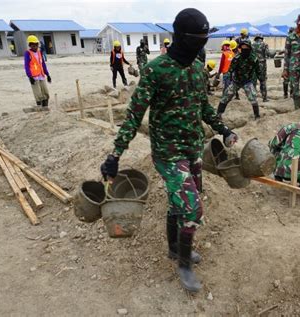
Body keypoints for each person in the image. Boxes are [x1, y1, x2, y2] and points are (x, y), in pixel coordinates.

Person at [100, 8, 238, 293]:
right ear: (180, 37)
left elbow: (203, 107)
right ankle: (184, 265)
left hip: (192, 148)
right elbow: (134, 114)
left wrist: (224, 130)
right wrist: (115, 154)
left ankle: (175, 248)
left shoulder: (198, 69)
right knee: (191, 207)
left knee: (181, 202)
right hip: (167, 153)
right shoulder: (156, 70)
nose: (201, 43)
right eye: (196, 38)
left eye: (204, 38)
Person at [216, 40, 262, 120]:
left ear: (250, 48)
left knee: (253, 98)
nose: (244, 50)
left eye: (246, 48)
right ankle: (219, 114)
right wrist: (228, 80)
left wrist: (261, 80)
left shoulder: (254, 59)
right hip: (236, 81)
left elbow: (258, 71)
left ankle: (257, 116)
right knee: (226, 96)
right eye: (242, 48)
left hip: (247, 81)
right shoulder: (237, 58)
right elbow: (230, 70)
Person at [24, 35, 51, 109]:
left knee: (45, 93)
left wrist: (47, 74)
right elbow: (26, 65)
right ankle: (39, 108)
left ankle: (45, 107)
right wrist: (30, 76)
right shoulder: (28, 53)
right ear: (30, 45)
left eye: (36, 44)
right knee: (38, 94)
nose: (35, 46)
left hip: (41, 75)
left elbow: (43, 64)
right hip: (34, 77)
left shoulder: (39, 53)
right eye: (33, 45)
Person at [252, 34, 269, 102]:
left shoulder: (252, 45)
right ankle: (264, 98)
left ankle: (253, 98)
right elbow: (268, 54)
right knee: (263, 81)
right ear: (261, 38)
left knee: (253, 82)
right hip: (262, 65)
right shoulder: (264, 44)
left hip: (253, 65)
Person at [282, 27, 294, 99]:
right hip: (294, 62)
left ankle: (285, 94)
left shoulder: (288, 38)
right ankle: (291, 94)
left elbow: (287, 51)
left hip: (288, 62)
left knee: (286, 79)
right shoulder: (296, 38)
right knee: (293, 79)